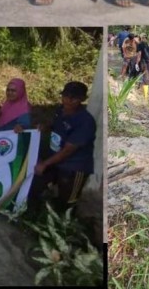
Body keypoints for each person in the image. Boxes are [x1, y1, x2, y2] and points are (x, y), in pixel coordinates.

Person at [28, 82, 97, 211]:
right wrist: (45, 127)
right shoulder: (61, 110)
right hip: (55, 160)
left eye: (73, 98)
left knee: (67, 202)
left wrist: (45, 164)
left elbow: (67, 150)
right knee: (36, 185)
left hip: (74, 167)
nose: (68, 101)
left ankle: (68, 220)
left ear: (82, 99)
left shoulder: (85, 121)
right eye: (65, 96)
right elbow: (55, 124)